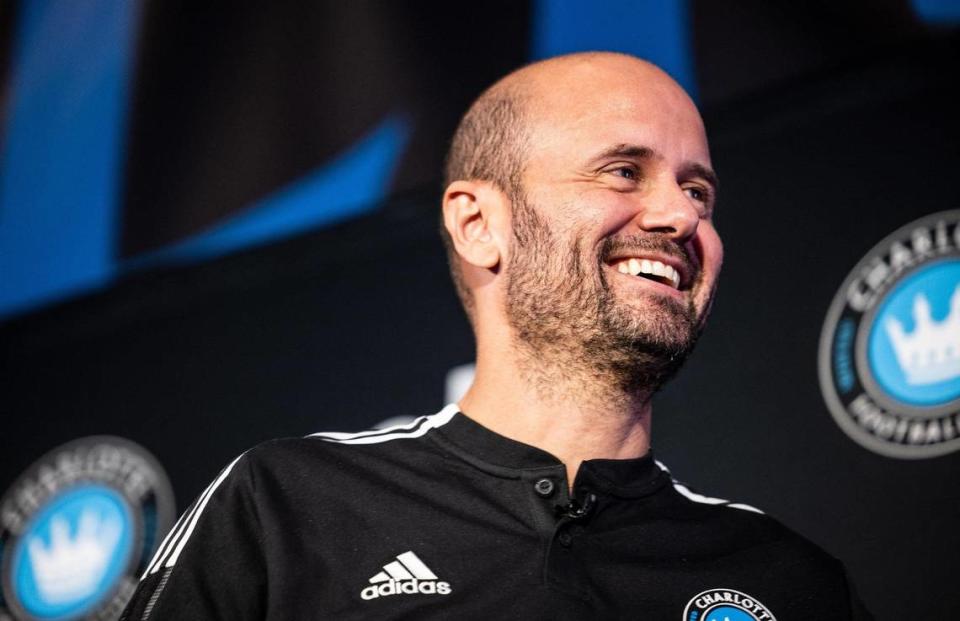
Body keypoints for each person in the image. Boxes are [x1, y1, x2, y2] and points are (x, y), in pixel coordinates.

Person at [121, 52, 871, 620]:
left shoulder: (789, 580)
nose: (682, 217)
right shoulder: (286, 509)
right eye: (622, 171)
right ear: (480, 225)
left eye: (698, 189)